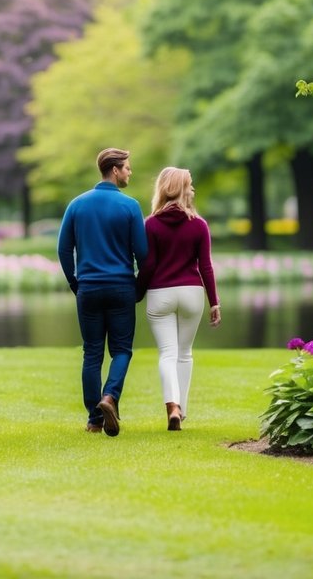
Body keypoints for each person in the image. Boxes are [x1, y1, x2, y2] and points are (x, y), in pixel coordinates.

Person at [57, 148, 148, 437]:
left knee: (92, 353)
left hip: (89, 288)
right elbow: (143, 254)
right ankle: (109, 397)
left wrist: (75, 282)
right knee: (121, 350)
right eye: (128, 168)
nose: (130, 173)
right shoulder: (130, 206)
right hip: (121, 287)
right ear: (115, 170)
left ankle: (94, 419)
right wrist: (139, 286)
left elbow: (63, 249)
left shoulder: (77, 205)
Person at [136, 167, 221, 431]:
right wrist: (214, 301)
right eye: (190, 185)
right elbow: (206, 266)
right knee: (184, 354)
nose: (193, 189)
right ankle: (180, 409)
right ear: (181, 189)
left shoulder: (150, 224)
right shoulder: (199, 225)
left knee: (167, 354)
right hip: (191, 294)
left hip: (160, 294)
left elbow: (148, 266)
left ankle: (172, 406)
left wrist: (137, 292)